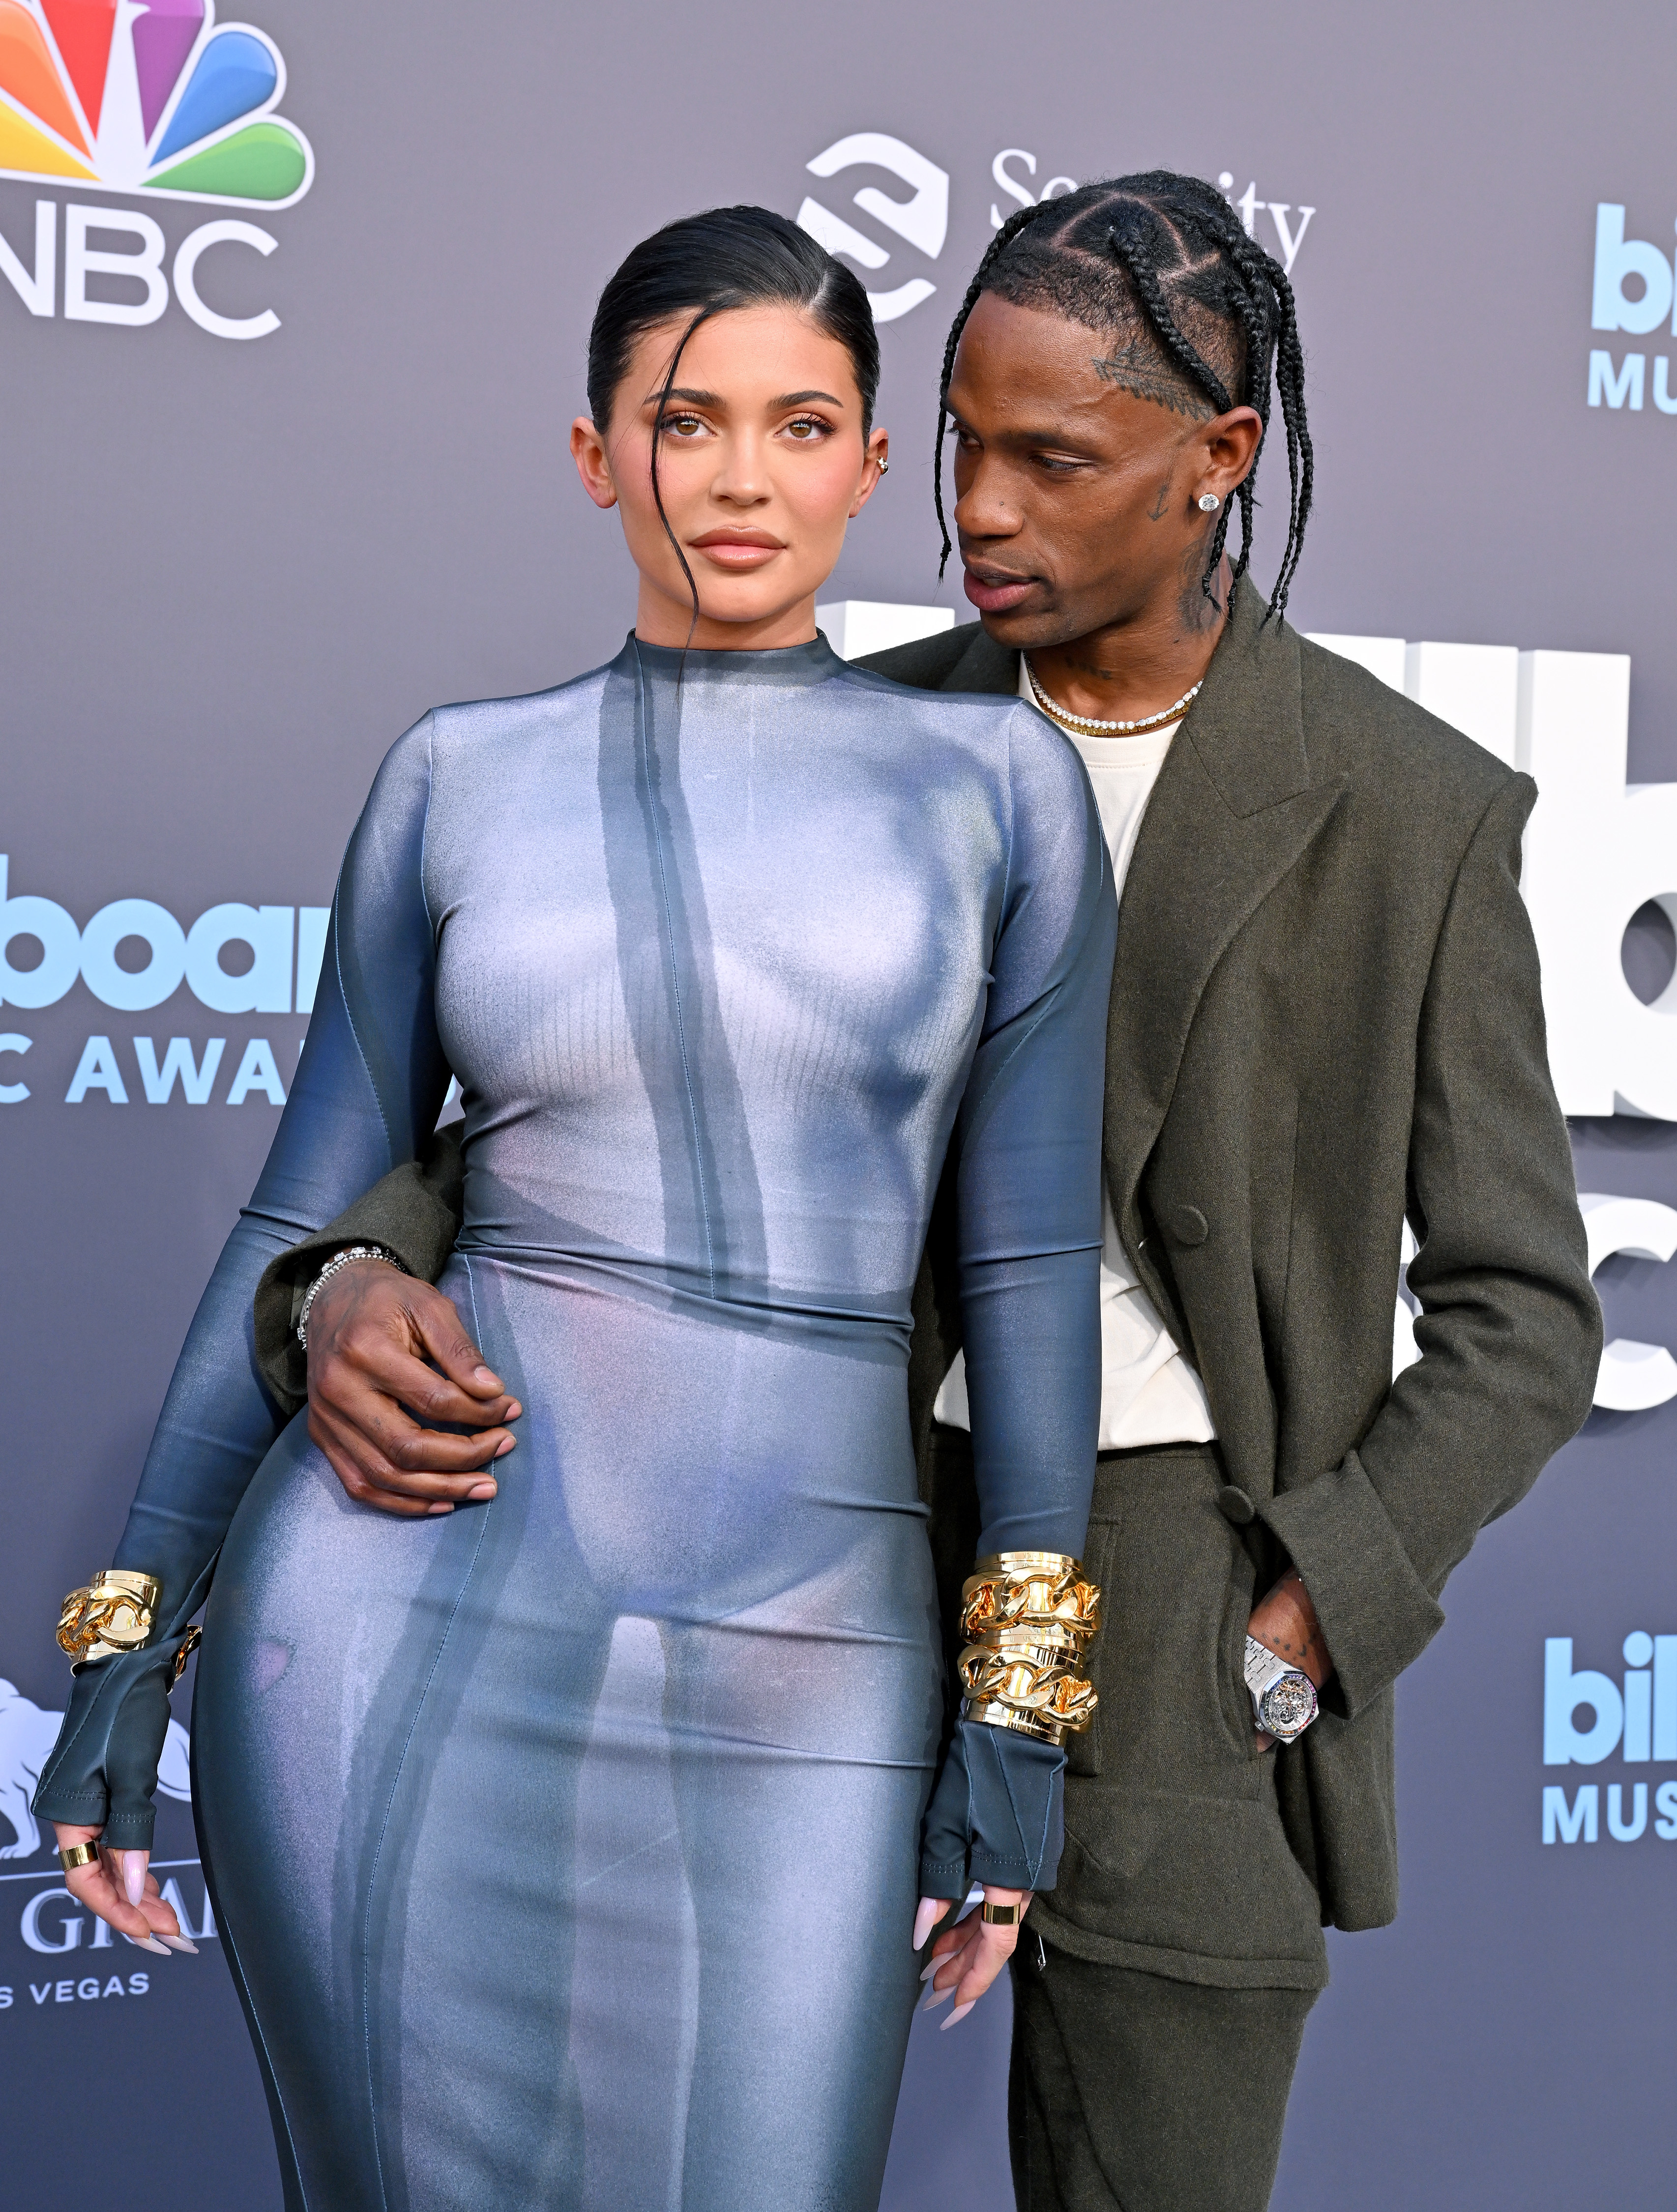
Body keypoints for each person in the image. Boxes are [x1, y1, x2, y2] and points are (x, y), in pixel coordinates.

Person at [265, 173, 1604, 2212]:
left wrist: (1305, 1609)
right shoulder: (847, 734)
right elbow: (561, 1119)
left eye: (1051, 459)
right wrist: (354, 1270)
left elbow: (1523, 1311)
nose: (974, 508)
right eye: (959, 445)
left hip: (1183, 1599)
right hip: (816, 1541)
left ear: (1215, 462)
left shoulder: (1409, 810)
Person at [31, 206, 1119, 2211]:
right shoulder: (457, 777)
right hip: (399, 1613)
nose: (737, 478)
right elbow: (294, 1220)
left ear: (872, 466)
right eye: (683, 421)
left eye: (799, 427)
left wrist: (1021, 1712)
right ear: (593, 451)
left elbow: (1034, 1270)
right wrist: (123, 1659)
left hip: (813, 1644)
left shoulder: (997, 795)